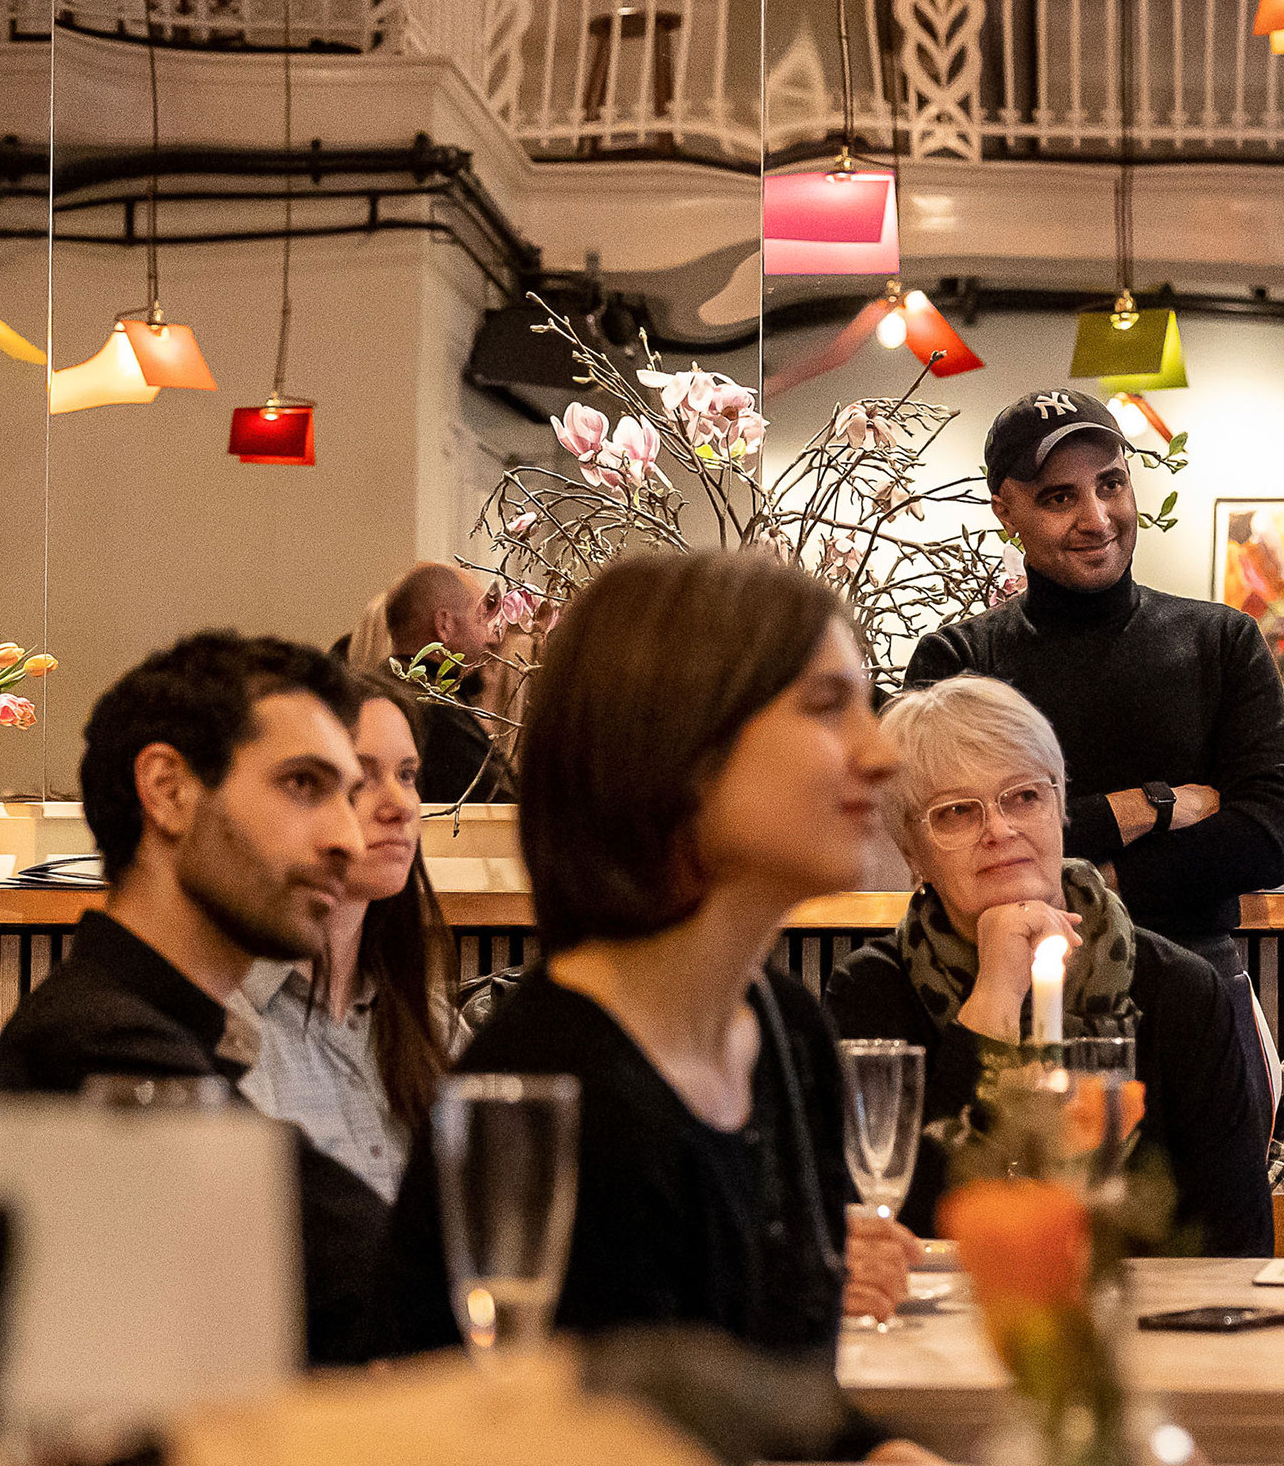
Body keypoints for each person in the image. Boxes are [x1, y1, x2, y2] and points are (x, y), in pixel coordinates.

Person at [377, 553, 924, 1417]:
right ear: (677, 743)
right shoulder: (553, 1089)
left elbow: (787, 1408)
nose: (883, 752)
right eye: (827, 706)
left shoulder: (785, 1030)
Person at [0, 632, 391, 1364]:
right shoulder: (94, 1046)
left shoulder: (147, 1025)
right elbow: (382, 1280)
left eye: (351, 796)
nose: (349, 840)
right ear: (170, 792)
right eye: (304, 785)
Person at [904, 388, 1284, 1124]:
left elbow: (1265, 838)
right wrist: (1156, 807)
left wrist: (1082, 870)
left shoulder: (1222, 642)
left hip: (1198, 994)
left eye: (1110, 484)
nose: (1096, 519)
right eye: (1059, 497)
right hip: (1004, 992)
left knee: (1216, 1239)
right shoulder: (958, 656)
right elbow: (956, 847)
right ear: (1006, 510)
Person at [825, 675, 1274, 1257]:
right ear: (913, 852)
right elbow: (896, 1232)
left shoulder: (1179, 991)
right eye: (956, 812)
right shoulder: (870, 992)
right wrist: (993, 997)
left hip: (1137, 1336)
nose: (999, 829)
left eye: (1025, 796)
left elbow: (1238, 1248)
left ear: (1060, 808)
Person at [229, 675, 459, 1203]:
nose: (399, 805)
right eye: (362, 777)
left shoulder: (434, 1025)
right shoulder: (228, 1027)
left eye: (408, 774)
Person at [384, 561, 512, 804]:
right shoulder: (436, 709)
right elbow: (502, 805)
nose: (492, 637)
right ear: (444, 625)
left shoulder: (376, 689)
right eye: (482, 614)